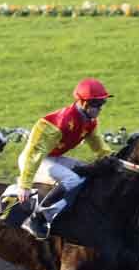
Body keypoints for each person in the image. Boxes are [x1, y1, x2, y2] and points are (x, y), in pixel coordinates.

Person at [16, 78, 114, 239]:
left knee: (87, 172)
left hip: (53, 158)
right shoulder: (60, 123)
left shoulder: (90, 121)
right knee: (72, 179)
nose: (100, 107)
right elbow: (35, 154)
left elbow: (99, 146)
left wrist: (113, 160)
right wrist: (24, 184)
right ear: (82, 102)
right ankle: (37, 218)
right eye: (96, 103)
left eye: (102, 103)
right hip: (33, 160)